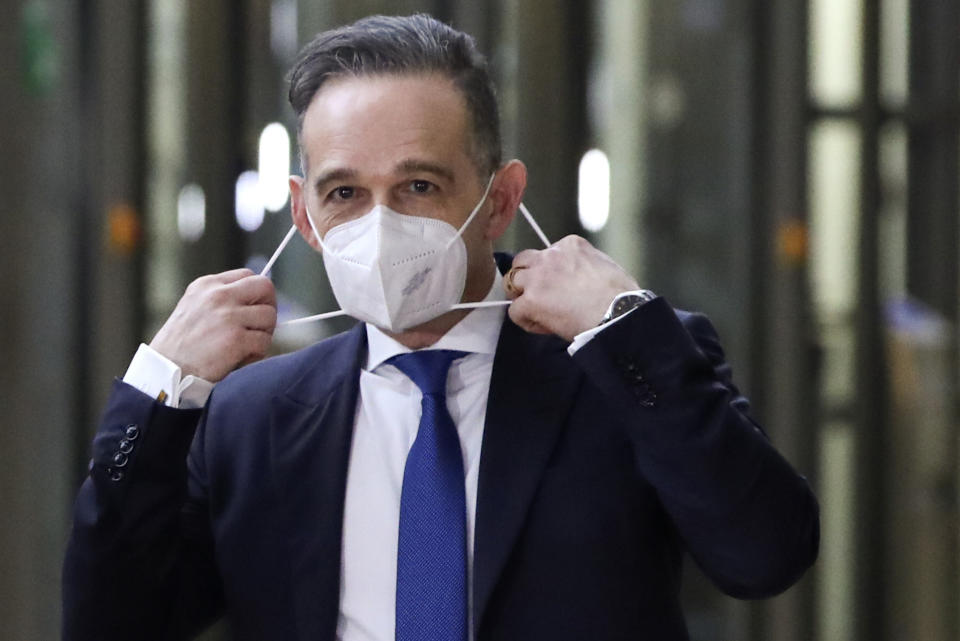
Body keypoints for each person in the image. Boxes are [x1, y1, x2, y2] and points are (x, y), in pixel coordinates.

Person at [63, 13, 818, 641]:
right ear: (305, 216)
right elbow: (110, 622)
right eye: (345, 193)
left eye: (419, 185)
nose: (379, 222)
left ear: (498, 200)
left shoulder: (620, 370)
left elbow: (765, 555)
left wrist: (624, 329)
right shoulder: (252, 417)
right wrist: (157, 389)